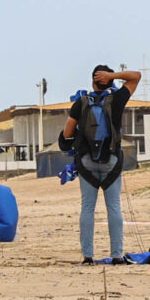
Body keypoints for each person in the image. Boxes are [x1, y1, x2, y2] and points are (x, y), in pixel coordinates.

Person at [55, 65, 140, 264]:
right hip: (111, 161)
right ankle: (117, 255)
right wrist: (113, 75)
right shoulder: (118, 99)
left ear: (93, 82)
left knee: (87, 208)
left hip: (86, 162)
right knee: (114, 207)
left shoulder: (81, 102)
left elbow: (67, 134)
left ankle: (88, 256)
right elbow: (136, 76)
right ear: (110, 81)